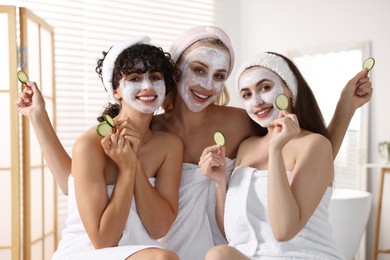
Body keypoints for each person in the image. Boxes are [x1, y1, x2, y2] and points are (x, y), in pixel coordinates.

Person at [17, 26, 372, 260]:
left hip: (215, 246)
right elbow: (76, 184)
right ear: (175, 73)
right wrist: (38, 118)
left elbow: (304, 157)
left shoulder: (240, 120)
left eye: (219, 76)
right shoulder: (149, 128)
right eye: (199, 70)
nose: (207, 84)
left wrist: (345, 110)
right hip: (156, 247)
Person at [202, 52, 373, 259]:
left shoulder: (314, 144)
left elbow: (284, 231)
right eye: (246, 95)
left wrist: (275, 150)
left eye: (265, 87)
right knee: (219, 254)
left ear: (290, 91)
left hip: (301, 256)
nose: (256, 101)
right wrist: (220, 183)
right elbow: (234, 234)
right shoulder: (247, 147)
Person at [49, 36, 182, 259]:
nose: (147, 86)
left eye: (155, 77)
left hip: (140, 250)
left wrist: (133, 163)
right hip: (86, 251)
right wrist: (126, 170)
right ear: (116, 90)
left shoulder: (169, 146)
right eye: (135, 78)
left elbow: (159, 228)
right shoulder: (89, 145)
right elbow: (103, 241)